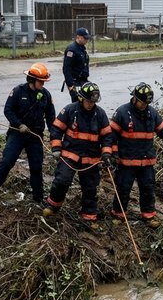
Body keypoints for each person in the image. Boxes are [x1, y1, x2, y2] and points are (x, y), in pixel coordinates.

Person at [108, 83, 163, 228]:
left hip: (146, 160)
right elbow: (111, 136)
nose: (144, 105)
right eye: (142, 102)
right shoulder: (122, 112)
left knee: (147, 188)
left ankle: (148, 216)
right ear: (135, 99)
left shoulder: (152, 113)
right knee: (123, 188)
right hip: (126, 161)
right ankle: (118, 213)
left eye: (146, 103)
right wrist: (113, 152)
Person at [0, 62, 56, 203]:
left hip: (35, 136)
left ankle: (38, 197)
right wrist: (19, 124)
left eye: (44, 82)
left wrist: (54, 139)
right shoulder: (18, 91)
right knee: (7, 161)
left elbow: (51, 118)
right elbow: (8, 110)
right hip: (17, 133)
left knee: (36, 166)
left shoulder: (46, 95)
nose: (42, 84)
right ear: (32, 80)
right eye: (40, 81)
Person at [43, 82, 113, 224]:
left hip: (91, 158)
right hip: (70, 154)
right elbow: (56, 129)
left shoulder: (100, 114)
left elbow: (107, 137)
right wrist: (56, 148)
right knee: (62, 181)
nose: (90, 104)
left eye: (93, 102)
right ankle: (53, 206)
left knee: (90, 187)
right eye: (88, 101)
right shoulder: (70, 110)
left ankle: (89, 215)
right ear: (81, 98)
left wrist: (106, 153)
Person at [62, 27, 90, 103]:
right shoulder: (72, 49)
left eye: (87, 38)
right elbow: (66, 68)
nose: (87, 40)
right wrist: (70, 85)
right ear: (78, 37)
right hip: (75, 82)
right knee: (78, 103)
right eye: (85, 38)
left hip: (84, 81)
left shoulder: (82, 49)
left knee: (87, 101)